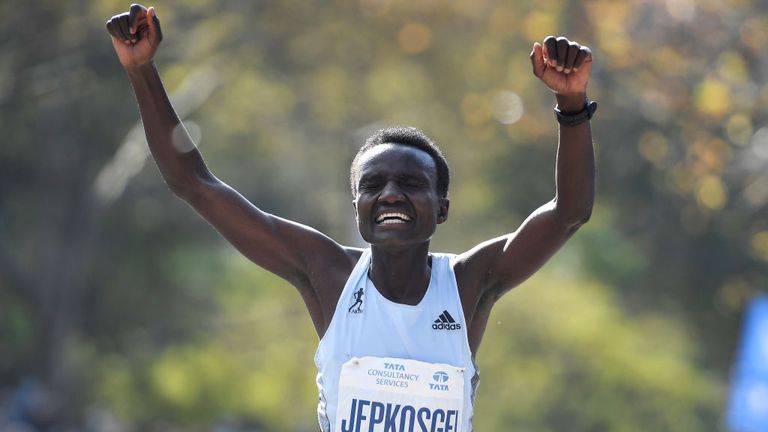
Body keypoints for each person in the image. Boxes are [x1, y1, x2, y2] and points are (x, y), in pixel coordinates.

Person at [106, 4, 595, 431]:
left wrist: (571, 105)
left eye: (410, 184)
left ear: (442, 208)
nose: (390, 196)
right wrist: (141, 70)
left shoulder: (470, 283)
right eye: (373, 185)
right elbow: (195, 184)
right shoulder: (328, 273)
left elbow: (569, 213)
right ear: (356, 207)